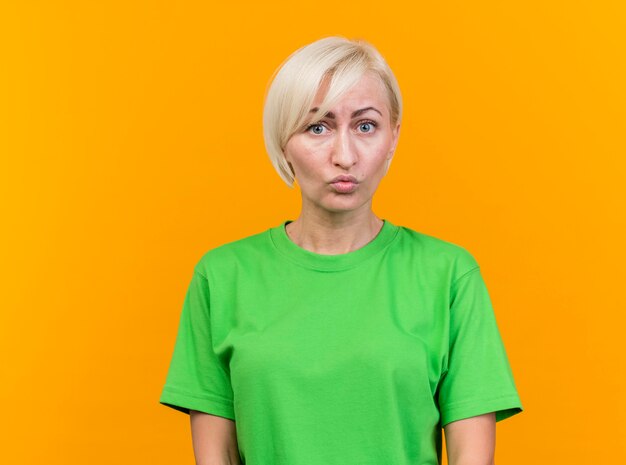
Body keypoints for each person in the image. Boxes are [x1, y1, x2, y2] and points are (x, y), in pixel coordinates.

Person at [159, 36, 523, 465]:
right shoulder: (221, 276)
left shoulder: (449, 274)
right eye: (318, 127)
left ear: (393, 136)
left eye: (366, 125)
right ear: (282, 140)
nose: (345, 155)